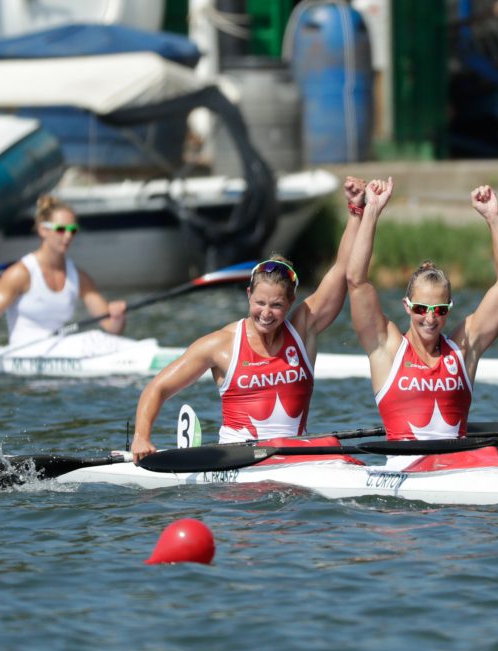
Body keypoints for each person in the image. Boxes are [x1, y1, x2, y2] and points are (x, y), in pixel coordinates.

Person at [128, 176, 369, 461]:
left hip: (292, 460)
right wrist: (141, 438)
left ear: (291, 302)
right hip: (234, 463)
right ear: (248, 296)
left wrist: (356, 211)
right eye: (260, 303)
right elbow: (157, 388)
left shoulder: (304, 328)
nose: (266, 313)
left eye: (277, 305)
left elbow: (341, 270)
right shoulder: (220, 345)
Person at [344, 179, 498, 468]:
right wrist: (371, 210)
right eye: (422, 309)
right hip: (406, 472)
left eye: (440, 310)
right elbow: (356, 280)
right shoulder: (386, 347)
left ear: (449, 309)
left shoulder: (464, 348)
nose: (430, 318)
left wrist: (492, 218)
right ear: (407, 306)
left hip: (458, 469)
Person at [0, 195, 128, 361]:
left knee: (98, 338)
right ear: (42, 230)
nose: (68, 236)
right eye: (61, 229)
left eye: (72, 230)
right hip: (24, 352)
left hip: (60, 349)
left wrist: (117, 317)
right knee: (92, 340)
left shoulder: (79, 277)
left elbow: (111, 327)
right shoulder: (20, 274)